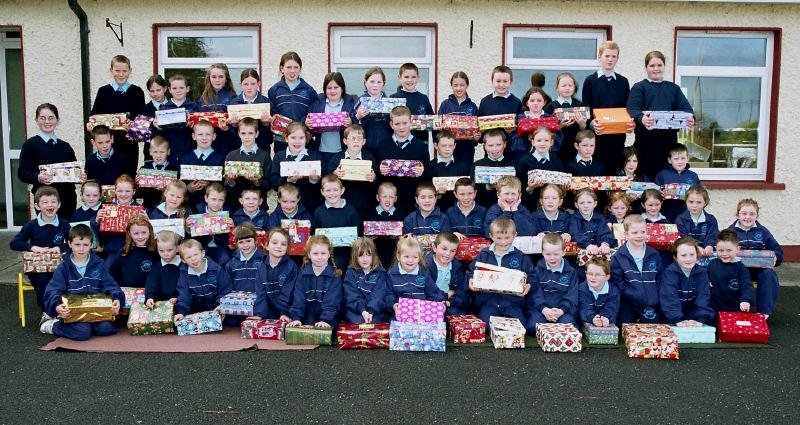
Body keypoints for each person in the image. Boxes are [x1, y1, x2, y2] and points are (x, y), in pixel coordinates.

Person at [39, 224, 124, 339]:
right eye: (77, 244)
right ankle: (53, 325)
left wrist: (116, 300)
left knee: (107, 328)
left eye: (85, 245)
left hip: (95, 309)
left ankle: (88, 326)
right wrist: (57, 306)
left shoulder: (99, 264)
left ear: (91, 245)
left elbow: (111, 285)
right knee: (82, 333)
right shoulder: (64, 267)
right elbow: (52, 290)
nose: (81, 249)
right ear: (69, 244)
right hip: (72, 310)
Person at [628, 50, 694, 179]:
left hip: (668, 144)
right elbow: (632, 108)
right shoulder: (639, 87)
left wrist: (690, 118)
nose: (656, 69)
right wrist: (641, 118)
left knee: (666, 179)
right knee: (645, 178)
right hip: (645, 143)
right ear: (646, 67)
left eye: (659, 65)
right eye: (652, 66)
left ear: (664, 66)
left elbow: (686, 109)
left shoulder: (673, 88)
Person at [10, 186, 71, 314]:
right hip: (38, 267)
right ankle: (48, 311)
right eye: (45, 202)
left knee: (60, 278)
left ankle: (62, 308)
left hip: (58, 265)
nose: (50, 205)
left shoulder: (64, 224)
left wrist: (59, 247)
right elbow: (14, 243)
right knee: (43, 279)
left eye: (53, 202)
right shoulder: (31, 225)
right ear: (37, 206)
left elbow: (74, 243)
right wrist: (33, 248)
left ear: (59, 204)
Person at [18, 103, 84, 219]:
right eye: (42, 118)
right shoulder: (30, 145)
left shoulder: (65, 147)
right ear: (36, 120)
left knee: (66, 233)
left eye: (51, 118)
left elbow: (74, 172)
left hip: (66, 200)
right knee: (46, 234)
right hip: (44, 201)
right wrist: (38, 177)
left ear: (57, 120)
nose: (47, 122)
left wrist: (81, 177)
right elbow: (22, 173)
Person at [468, 217, 534, 324]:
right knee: (487, 326)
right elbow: (472, 271)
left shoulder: (520, 256)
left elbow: (531, 275)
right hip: (488, 300)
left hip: (512, 301)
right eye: (499, 238)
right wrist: (471, 279)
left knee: (519, 324)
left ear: (514, 235)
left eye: (507, 238)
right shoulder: (484, 255)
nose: (503, 242)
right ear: (491, 236)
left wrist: (528, 285)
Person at [89, 55, 145, 177]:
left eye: (124, 71)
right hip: (108, 147)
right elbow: (94, 116)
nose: (121, 74)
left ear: (130, 71)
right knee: (108, 178)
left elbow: (142, 122)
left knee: (127, 180)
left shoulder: (137, 92)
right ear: (111, 71)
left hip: (129, 147)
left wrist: (135, 127)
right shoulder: (103, 92)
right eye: (117, 71)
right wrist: (91, 124)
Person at [582, 41, 632, 174]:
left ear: (617, 58)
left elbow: (627, 108)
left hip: (617, 136)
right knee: (597, 171)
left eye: (614, 56)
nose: (610, 59)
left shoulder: (623, 81)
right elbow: (586, 107)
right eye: (607, 56)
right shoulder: (590, 81)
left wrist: (629, 123)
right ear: (599, 57)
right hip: (597, 135)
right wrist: (591, 123)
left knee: (614, 170)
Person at [729, 199, 783, 318]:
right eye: (744, 213)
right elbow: (722, 249)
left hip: (759, 270)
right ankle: (732, 307)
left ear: (757, 215)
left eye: (752, 214)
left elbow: (777, 250)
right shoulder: (730, 232)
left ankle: (763, 312)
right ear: (737, 215)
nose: (747, 217)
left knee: (769, 274)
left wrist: (776, 257)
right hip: (738, 270)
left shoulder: (763, 232)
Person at [610, 215, 663, 324]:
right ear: (626, 234)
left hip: (651, 303)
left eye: (643, 232)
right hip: (629, 303)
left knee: (653, 331)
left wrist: (654, 295)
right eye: (634, 233)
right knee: (625, 327)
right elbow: (617, 282)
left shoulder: (654, 254)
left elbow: (660, 278)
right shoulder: (618, 257)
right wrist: (634, 294)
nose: (639, 236)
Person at [376, 105, 428, 216]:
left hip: (412, 200)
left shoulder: (421, 146)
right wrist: (379, 169)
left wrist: (423, 171)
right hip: (389, 202)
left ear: (411, 122)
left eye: (404, 123)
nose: (401, 127)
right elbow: (375, 172)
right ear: (391, 125)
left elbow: (429, 172)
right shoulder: (383, 145)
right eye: (397, 124)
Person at [286, 235, 343, 328]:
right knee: (305, 333)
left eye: (323, 253)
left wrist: (325, 320)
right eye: (315, 253)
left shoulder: (334, 276)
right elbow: (298, 299)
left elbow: (333, 301)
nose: (319, 257)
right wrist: (296, 318)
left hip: (329, 318)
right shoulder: (303, 275)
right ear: (309, 254)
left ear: (329, 254)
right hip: (308, 316)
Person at [527, 233, 580, 332]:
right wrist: (544, 309)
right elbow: (534, 293)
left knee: (568, 326)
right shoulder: (536, 270)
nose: (552, 258)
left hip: (562, 311)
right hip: (541, 310)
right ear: (542, 252)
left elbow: (572, 296)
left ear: (564, 252)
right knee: (532, 327)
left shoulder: (571, 272)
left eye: (556, 254)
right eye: (548, 254)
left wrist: (561, 310)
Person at [269, 121, 323, 214]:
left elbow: (323, 183)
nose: (297, 142)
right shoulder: (279, 156)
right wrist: (289, 181)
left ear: (306, 139)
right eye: (293, 137)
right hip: (286, 207)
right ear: (286, 138)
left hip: (310, 206)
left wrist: (314, 180)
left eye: (301, 138)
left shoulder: (315, 156)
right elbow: (274, 182)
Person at [325, 124, 378, 219]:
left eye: (359, 138)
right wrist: (335, 174)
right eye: (352, 138)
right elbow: (327, 179)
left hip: (363, 203)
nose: (356, 141)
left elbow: (376, 182)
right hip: (342, 203)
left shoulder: (369, 158)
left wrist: (373, 178)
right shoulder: (336, 159)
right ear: (345, 141)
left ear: (364, 141)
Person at [659, 237, 715, 326]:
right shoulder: (669, 273)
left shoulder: (701, 272)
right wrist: (677, 319)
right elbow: (669, 298)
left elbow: (703, 297)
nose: (688, 259)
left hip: (693, 314)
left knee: (711, 317)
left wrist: (699, 319)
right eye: (683, 255)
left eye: (692, 254)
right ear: (675, 257)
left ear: (697, 255)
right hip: (671, 315)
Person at [268, 52, 316, 154]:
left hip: (303, 140)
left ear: (300, 69)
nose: (292, 71)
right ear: (281, 68)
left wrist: (307, 122)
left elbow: (313, 113)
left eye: (296, 67)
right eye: (288, 67)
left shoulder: (309, 90)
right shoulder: (274, 90)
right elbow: (272, 113)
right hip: (281, 140)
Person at [312, 174, 361, 270]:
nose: (332, 193)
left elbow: (358, 233)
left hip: (348, 256)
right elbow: (314, 234)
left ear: (342, 190)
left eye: (335, 190)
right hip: (324, 256)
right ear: (322, 192)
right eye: (328, 190)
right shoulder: (319, 212)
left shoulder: (351, 211)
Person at [385, 236, 445, 316]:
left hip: (422, 313)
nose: (410, 260)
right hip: (400, 313)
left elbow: (432, 292)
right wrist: (393, 305)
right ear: (398, 256)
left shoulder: (423, 273)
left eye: (415, 257)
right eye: (406, 256)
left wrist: (440, 302)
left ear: (419, 258)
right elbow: (389, 295)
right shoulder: (391, 274)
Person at [173, 238, 232, 319]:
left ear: (202, 253)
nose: (193, 259)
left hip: (216, 307)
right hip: (196, 310)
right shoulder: (184, 273)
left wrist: (221, 305)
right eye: (189, 257)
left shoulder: (216, 269)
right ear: (183, 260)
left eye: (195, 254)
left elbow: (225, 289)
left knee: (232, 322)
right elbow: (184, 293)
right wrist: (181, 312)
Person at [223, 116, 272, 212]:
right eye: (243, 133)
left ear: (257, 134)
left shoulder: (264, 155)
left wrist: (257, 181)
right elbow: (226, 184)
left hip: (258, 206)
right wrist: (231, 181)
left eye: (250, 133)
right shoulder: (231, 155)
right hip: (235, 205)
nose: (247, 137)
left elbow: (269, 184)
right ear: (238, 134)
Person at [307, 72, 356, 163]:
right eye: (329, 88)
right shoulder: (318, 103)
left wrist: (351, 122)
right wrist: (308, 124)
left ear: (342, 88)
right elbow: (308, 122)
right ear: (324, 89)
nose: (332, 91)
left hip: (343, 151)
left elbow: (358, 124)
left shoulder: (351, 103)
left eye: (336, 87)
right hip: (321, 151)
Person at [224, 223, 268, 326]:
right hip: (239, 304)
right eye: (241, 242)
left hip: (259, 303)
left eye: (248, 241)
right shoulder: (231, 263)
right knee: (232, 323)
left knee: (258, 323)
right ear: (236, 243)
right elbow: (227, 286)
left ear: (255, 240)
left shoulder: (264, 259)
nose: (245, 245)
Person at [252, 228, 299, 321]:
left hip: (288, 311)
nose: (279, 246)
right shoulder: (261, 267)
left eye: (283, 244)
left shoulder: (291, 267)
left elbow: (288, 294)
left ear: (287, 248)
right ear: (266, 245)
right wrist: (259, 314)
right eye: (274, 243)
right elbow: (260, 294)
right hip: (270, 310)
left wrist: (284, 313)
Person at [707, 229, 755, 315]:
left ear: (737, 249)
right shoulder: (712, 264)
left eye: (729, 250)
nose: (724, 254)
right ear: (716, 248)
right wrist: (705, 281)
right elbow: (702, 276)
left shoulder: (741, 269)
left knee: (738, 325)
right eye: (721, 250)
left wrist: (745, 300)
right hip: (714, 307)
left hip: (734, 308)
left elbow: (747, 287)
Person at [478, 65, 522, 157]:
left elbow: (520, 126)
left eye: (505, 81)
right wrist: (482, 130)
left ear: (511, 82)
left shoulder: (516, 102)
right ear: (492, 81)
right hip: (490, 151)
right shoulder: (485, 101)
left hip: (510, 151)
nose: (501, 85)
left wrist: (513, 130)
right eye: (498, 81)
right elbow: (479, 127)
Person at [181, 120, 226, 208]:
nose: (204, 138)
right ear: (194, 136)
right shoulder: (185, 158)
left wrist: (210, 185)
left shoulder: (221, 158)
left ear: (214, 136)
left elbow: (225, 183)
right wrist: (189, 188)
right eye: (200, 134)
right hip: (190, 205)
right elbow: (179, 182)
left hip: (214, 207)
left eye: (208, 134)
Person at [343, 237, 389, 324]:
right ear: (355, 256)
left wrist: (371, 312)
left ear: (374, 256)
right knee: (357, 321)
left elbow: (378, 296)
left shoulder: (380, 273)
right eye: (361, 255)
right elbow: (351, 295)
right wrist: (363, 311)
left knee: (374, 321)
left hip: (375, 310)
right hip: (356, 310)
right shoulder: (350, 272)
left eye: (368, 255)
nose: (365, 259)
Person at [544, 72, 587, 164]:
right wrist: (559, 126)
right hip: (557, 147)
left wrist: (582, 124)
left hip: (575, 147)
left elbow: (584, 129)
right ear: (557, 88)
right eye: (563, 85)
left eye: (570, 85)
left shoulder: (579, 105)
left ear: (574, 87)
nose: (567, 88)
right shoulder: (551, 106)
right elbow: (545, 129)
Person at [227, 68, 273, 153]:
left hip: (261, 150)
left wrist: (265, 124)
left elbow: (270, 137)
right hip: (239, 150)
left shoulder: (266, 103)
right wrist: (234, 126)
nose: (249, 87)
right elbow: (230, 135)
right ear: (241, 85)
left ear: (258, 84)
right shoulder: (234, 103)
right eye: (246, 84)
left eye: (253, 84)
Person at [517, 126, 564, 207]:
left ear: (551, 142)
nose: (542, 144)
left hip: (552, 206)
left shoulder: (558, 162)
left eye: (546, 140)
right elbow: (519, 188)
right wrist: (530, 188)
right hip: (530, 206)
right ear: (533, 142)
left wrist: (563, 189)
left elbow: (560, 188)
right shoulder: (524, 162)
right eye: (539, 140)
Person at [511, 87, 562, 161]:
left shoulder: (550, 119)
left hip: (545, 157)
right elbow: (515, 142)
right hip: (523, 157)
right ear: (527, 102)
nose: (535, 103)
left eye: (539, 100)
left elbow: (557, 140)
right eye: (532, 100)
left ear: (544, 102)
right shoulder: (519, 119)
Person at [439, 71, 479, 164]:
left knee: (465, 176)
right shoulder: (445, 104)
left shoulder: (472, 106)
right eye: (455, 85)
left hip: (467, 150)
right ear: (451, 86)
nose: (458, 88)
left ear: (467, 85)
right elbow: (438, 127)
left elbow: (478, 130)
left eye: (462, 85)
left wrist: (477, 137)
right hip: (448, 149)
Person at [109, 214, 159, 289]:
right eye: (136, 233)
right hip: (128, 293)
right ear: (129, 233)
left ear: (150, 231)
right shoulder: (124, 253)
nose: (140, 237)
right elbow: (113, 274)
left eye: (144, 232)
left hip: (150, 295)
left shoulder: (157, 252)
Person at [196, 63, 236, 154]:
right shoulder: (202, 98)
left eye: (221, 77)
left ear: (226, 79)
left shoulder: (233, 98)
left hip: (226, 144)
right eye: (214, 77)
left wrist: (228, 128)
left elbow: (237, 127)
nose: (217, 80)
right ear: (209, 78)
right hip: (206, 144)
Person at [655, 144, 701, 222]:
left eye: (683, 158)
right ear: (669, 160)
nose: (680, 162)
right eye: (676, 159)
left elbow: (700, 193)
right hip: (666, 213)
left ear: (687, 159)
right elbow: (654, 193)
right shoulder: (662, 175)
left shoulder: (693, 176)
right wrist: (659, 194)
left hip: (687, 214)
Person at [426, 232, 469, 316]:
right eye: (444, 249)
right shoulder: (426, 266)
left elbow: (463, 293)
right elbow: (427, 291)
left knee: (458, 315)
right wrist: (446, 295)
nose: (448, 253)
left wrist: (448, 303)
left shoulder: (458, 267)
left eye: (452, 251)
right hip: (429, 304)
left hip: (450, 304)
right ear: (434, 248)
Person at [469, 129, 513, 207]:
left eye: (498, 145)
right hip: (484, 206)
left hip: (508, 206)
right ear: (484, 146)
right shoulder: (477, 165)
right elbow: (472, 189)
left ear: (505, 144)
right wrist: (488, 186)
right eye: (490, 145)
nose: (494, 149)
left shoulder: (513, 164)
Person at [390, 62, 434, 141]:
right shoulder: (393, 98)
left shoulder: (423, 98)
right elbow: (389, 123)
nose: (410, 80)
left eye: (413, 77)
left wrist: (437, 141)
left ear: (418, 78)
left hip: (421, 143)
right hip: (399, 144)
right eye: (406, 77)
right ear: (399, 78)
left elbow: (432, 122)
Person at [426, 130, 468, 212]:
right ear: (436, 146)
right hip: (436, 209)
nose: (447, 149)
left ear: (455, 146)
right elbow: (426, 190)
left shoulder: (462, 166)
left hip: (457, 209)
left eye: (450, 146)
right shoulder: (430, 166)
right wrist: (437, 193)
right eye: (443, 146)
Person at [354, 67, 392, 157]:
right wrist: (358, 116)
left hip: (386, 146)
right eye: (372, 81)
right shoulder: (360, 101)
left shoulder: (390, 102)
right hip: (365, 147)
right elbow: (352, 125)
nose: (375, 85)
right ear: (365, 82)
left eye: (379, 82)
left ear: (383, 84)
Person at [363, 182, 402, 268]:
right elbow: (364, 232)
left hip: (393, 251)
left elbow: (403, 234)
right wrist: (368, 237)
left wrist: (399, 237)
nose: (388, 200)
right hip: (374, 251)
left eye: (391, 197)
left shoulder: (400, 215)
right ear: (378, 197)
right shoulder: (369, 214)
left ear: (395, 199)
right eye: (384, 196)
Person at [159, 74, 197, 162]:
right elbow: (159, 133)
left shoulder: (194, 107)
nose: (178, 91)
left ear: (187, 89)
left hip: (190, 151)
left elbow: (200, 130)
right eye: (174, 88)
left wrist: (192, 126)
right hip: (169, 153)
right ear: (169, 90)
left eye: (181, 88)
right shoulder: (163, 109)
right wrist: (157, 127)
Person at [193, 183, 232, 266]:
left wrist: (232, 226)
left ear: (224, 200)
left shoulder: (228, 212)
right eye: (213, 199)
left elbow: (232, 237)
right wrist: (189, 227)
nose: (217, 203)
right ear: (206, 198)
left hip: (221, 246)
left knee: (225, 260)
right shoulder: (197, 210)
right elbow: (193, 236)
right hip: (202, 246)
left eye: (220, 200)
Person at [137, 136, 180, 210]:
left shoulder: (175, 169)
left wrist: (166, 189)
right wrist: (137, 184)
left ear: (168, 151)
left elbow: (179, 189)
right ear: (150, 152)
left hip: (170, 208)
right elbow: (140, 193)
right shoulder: (145, 169)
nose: (158, 155)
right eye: (155, 152)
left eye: (162, 152)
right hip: (150, 207)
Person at [676, 185, 719, 257]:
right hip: (688, 255)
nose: (694, 205)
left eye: (699, 202)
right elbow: (683, 238)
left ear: (705, 203)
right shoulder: (680, 220)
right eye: (691, 202)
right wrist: (695, 247)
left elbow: (713, 236)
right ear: (686, 201)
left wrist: (710, 246)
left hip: (706, 254)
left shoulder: (711, 219)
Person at [578, 257, 620, 327]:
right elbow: (584, 308)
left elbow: (612, 308)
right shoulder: (582, 289)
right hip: (588, 320)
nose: (593, 277)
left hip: (605, 320)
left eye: (597, 274)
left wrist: (606, 318)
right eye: (590, 274)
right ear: (585, 273)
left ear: (607, 277)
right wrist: (593, 318)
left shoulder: (613, 291)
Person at [145, 230, 182, 307]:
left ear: (177, 248)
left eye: (169, 250)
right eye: (161, 251)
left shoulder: (184, 265)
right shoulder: (156, 268)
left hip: (182, 303)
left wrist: (179, 298)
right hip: (162, 306)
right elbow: (151, 285)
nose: (165, 254)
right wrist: (150, 298)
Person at [140, 75, 170, 161]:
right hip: (151, 154)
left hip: (170, 152)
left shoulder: (173, 106)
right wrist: (151, 124)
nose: (155, 94)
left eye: (158, 90)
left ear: (165, 89)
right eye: (152, 91)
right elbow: (141, 134)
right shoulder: (144, 109)